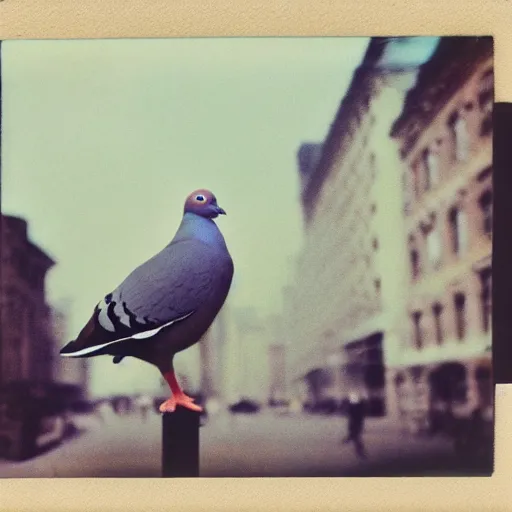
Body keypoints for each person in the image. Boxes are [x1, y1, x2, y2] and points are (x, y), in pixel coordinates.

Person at [341, 391, 367, 458]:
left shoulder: (354, 406)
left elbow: (350, 413)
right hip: (355, 423)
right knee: (355, 436)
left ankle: (359, 451)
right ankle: (359, 450)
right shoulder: (359, 406)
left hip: (354, 423)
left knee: (355, 436)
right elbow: (358, 415)